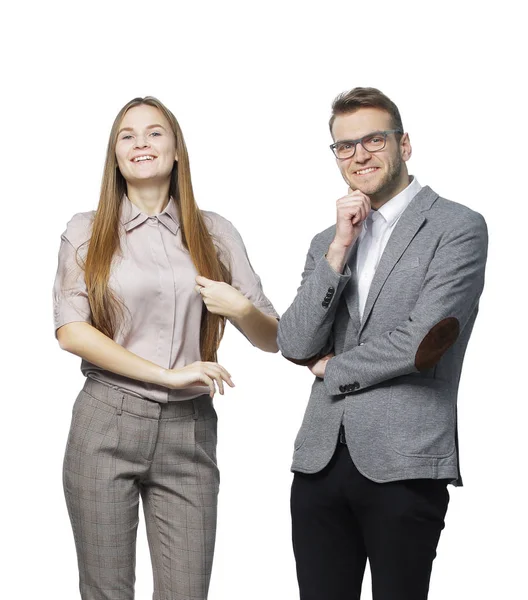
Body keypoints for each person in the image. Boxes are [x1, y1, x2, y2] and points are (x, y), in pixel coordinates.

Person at [53, 96, 279, 600]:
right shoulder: (86, 231)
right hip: (105, 421)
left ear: (177, 151)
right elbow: (72, 331)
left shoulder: (215, 233)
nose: (141, 143)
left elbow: (272, 338)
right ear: (115, 157)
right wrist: (167, 374)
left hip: (190, 430)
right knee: (105, 591)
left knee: (186, 593)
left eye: (155, 133)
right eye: (127, 135)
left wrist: (239, 309)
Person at [277, 87, 488, 600]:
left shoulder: (457, 227)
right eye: (345, 146)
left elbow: (425, 341)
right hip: (320, 461)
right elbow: (294, 340)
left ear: (404, 144)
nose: (359, 155)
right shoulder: (327, 240)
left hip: (405, 458)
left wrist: (334, 369)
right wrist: (339, 248)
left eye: (373, 139)